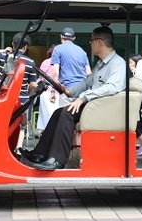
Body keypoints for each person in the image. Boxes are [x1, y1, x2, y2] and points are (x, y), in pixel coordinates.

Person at [19, 26, 126, 171]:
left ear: (100, 42)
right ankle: (39, 154)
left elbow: (112, 87)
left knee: (67, 113)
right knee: (59, 112)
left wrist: (82, 98)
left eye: (92, 41)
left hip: (105, 109)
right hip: (95, 106)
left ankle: (57, 160)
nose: (90, 44)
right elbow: (86, 83)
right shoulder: (100, 65)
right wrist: (68, 91)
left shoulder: (118, 64)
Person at [51, 27, 91, 107]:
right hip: (82, 91)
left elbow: (55, 72)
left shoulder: (57, 49)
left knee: (65, 117)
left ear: (61, 37)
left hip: (67, 90)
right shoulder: (82, 51)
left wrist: (52, 91)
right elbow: (89, 73)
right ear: (74, 38)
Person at [37, 44, 59, 133]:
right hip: (56, 92)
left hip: (45, 92)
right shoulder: (60, 63)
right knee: (55, 119)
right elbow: (56, 75)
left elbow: (41, 77)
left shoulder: (45, 62)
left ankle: (46, 138)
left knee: (47, 119)